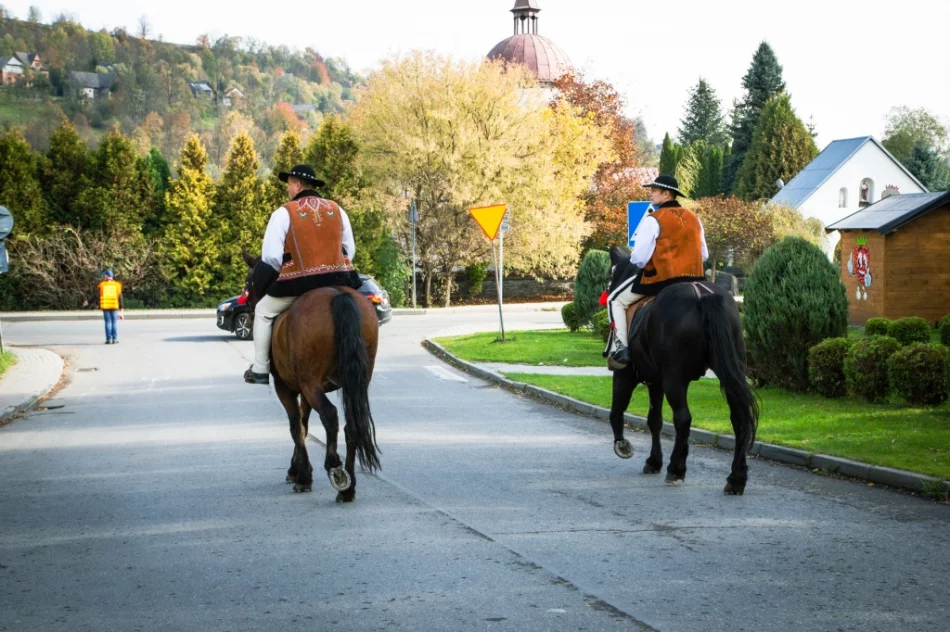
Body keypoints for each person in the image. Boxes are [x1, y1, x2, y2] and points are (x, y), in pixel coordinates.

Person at [243, 164, 361, 385]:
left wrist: (292, 267)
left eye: (288, 184)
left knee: (262, 311)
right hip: (339, 281)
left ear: (297, 185)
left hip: (300, 284)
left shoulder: (283, 213)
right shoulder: (338, 210)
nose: (288, 190)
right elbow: (350, 250)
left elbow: (270, 257)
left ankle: (259, 368)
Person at [607, 174, 708, 367]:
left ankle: (621, 347)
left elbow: (639, 258)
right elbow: (704, 255)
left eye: (654, 191)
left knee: (615, 300)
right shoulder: (694, 218)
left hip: (662, 281)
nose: (651, 194)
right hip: (695, 280)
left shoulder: (653, 220)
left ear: (666, 194)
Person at [83, 270, 124, 344]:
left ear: (107, 276)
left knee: (108, 323)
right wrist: (121, 309)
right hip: (114, 306)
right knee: (114, 323)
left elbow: (96, 296)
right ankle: (114, 339)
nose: (104, 276)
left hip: (105, 307)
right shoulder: (117, 285)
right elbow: (120, 298)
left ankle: (108, 339)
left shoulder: (102, 285)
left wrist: (88, 302)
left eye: (105, 275)